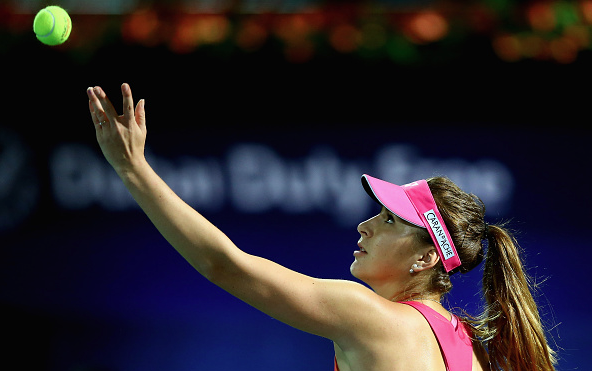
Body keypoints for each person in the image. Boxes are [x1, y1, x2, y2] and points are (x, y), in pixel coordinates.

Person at [86, 83, 557, 371]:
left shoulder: (364, 313)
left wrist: (133, 170)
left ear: (426, 256)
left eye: (389, 219)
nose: (364, 226)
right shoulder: (465, 342)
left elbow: (223, 265)